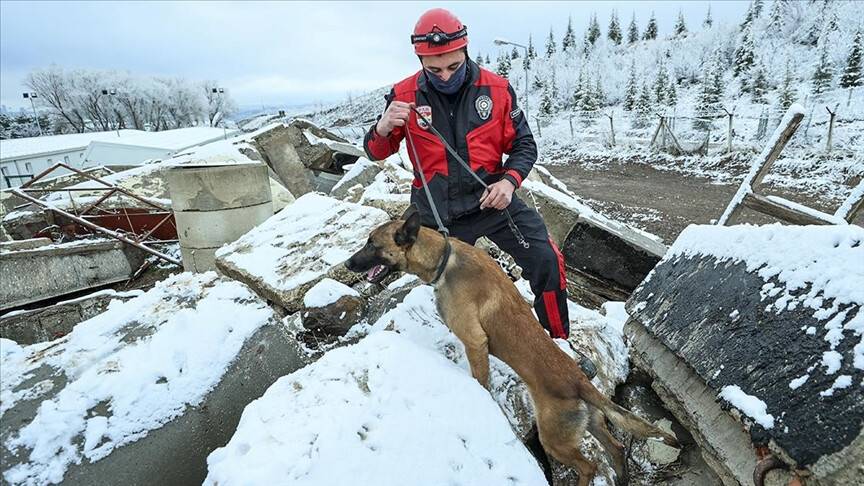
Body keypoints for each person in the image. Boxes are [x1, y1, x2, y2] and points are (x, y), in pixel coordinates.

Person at [363, 8, 596, 378]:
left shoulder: (497, 90)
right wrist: (381, 127)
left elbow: (525, 145)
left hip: (493, 201)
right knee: (451, 286)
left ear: (466, 51)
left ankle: (558, 346)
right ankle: (464, 347)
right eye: (434, 69)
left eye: (453, 67)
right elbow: (376, 151)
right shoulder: (403, 95)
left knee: (546, 259)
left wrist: (509, 182)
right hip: (436, 214)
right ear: (421, 60)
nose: (445, 76)